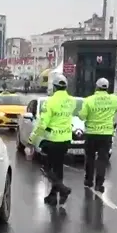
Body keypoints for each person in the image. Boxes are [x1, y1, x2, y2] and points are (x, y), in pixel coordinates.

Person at [29, 75, 75, 206]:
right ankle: (53, 196)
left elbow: (42, 124)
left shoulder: (50, 102)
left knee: (46, 168)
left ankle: (63, 190)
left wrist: (31, 139)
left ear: (54, 87)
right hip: (66, 139)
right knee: (58, 167)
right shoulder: (71, 101)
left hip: (53, 139)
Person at [78, 78, 117, 192]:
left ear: (96, 87)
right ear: (107, 88)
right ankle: (99, 184)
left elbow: (82, 116)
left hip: (91, 134)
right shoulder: (114, 99)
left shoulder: (88, 100)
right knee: (102, 160)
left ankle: (88, 181)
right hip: (106, 134)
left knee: (90, 158)